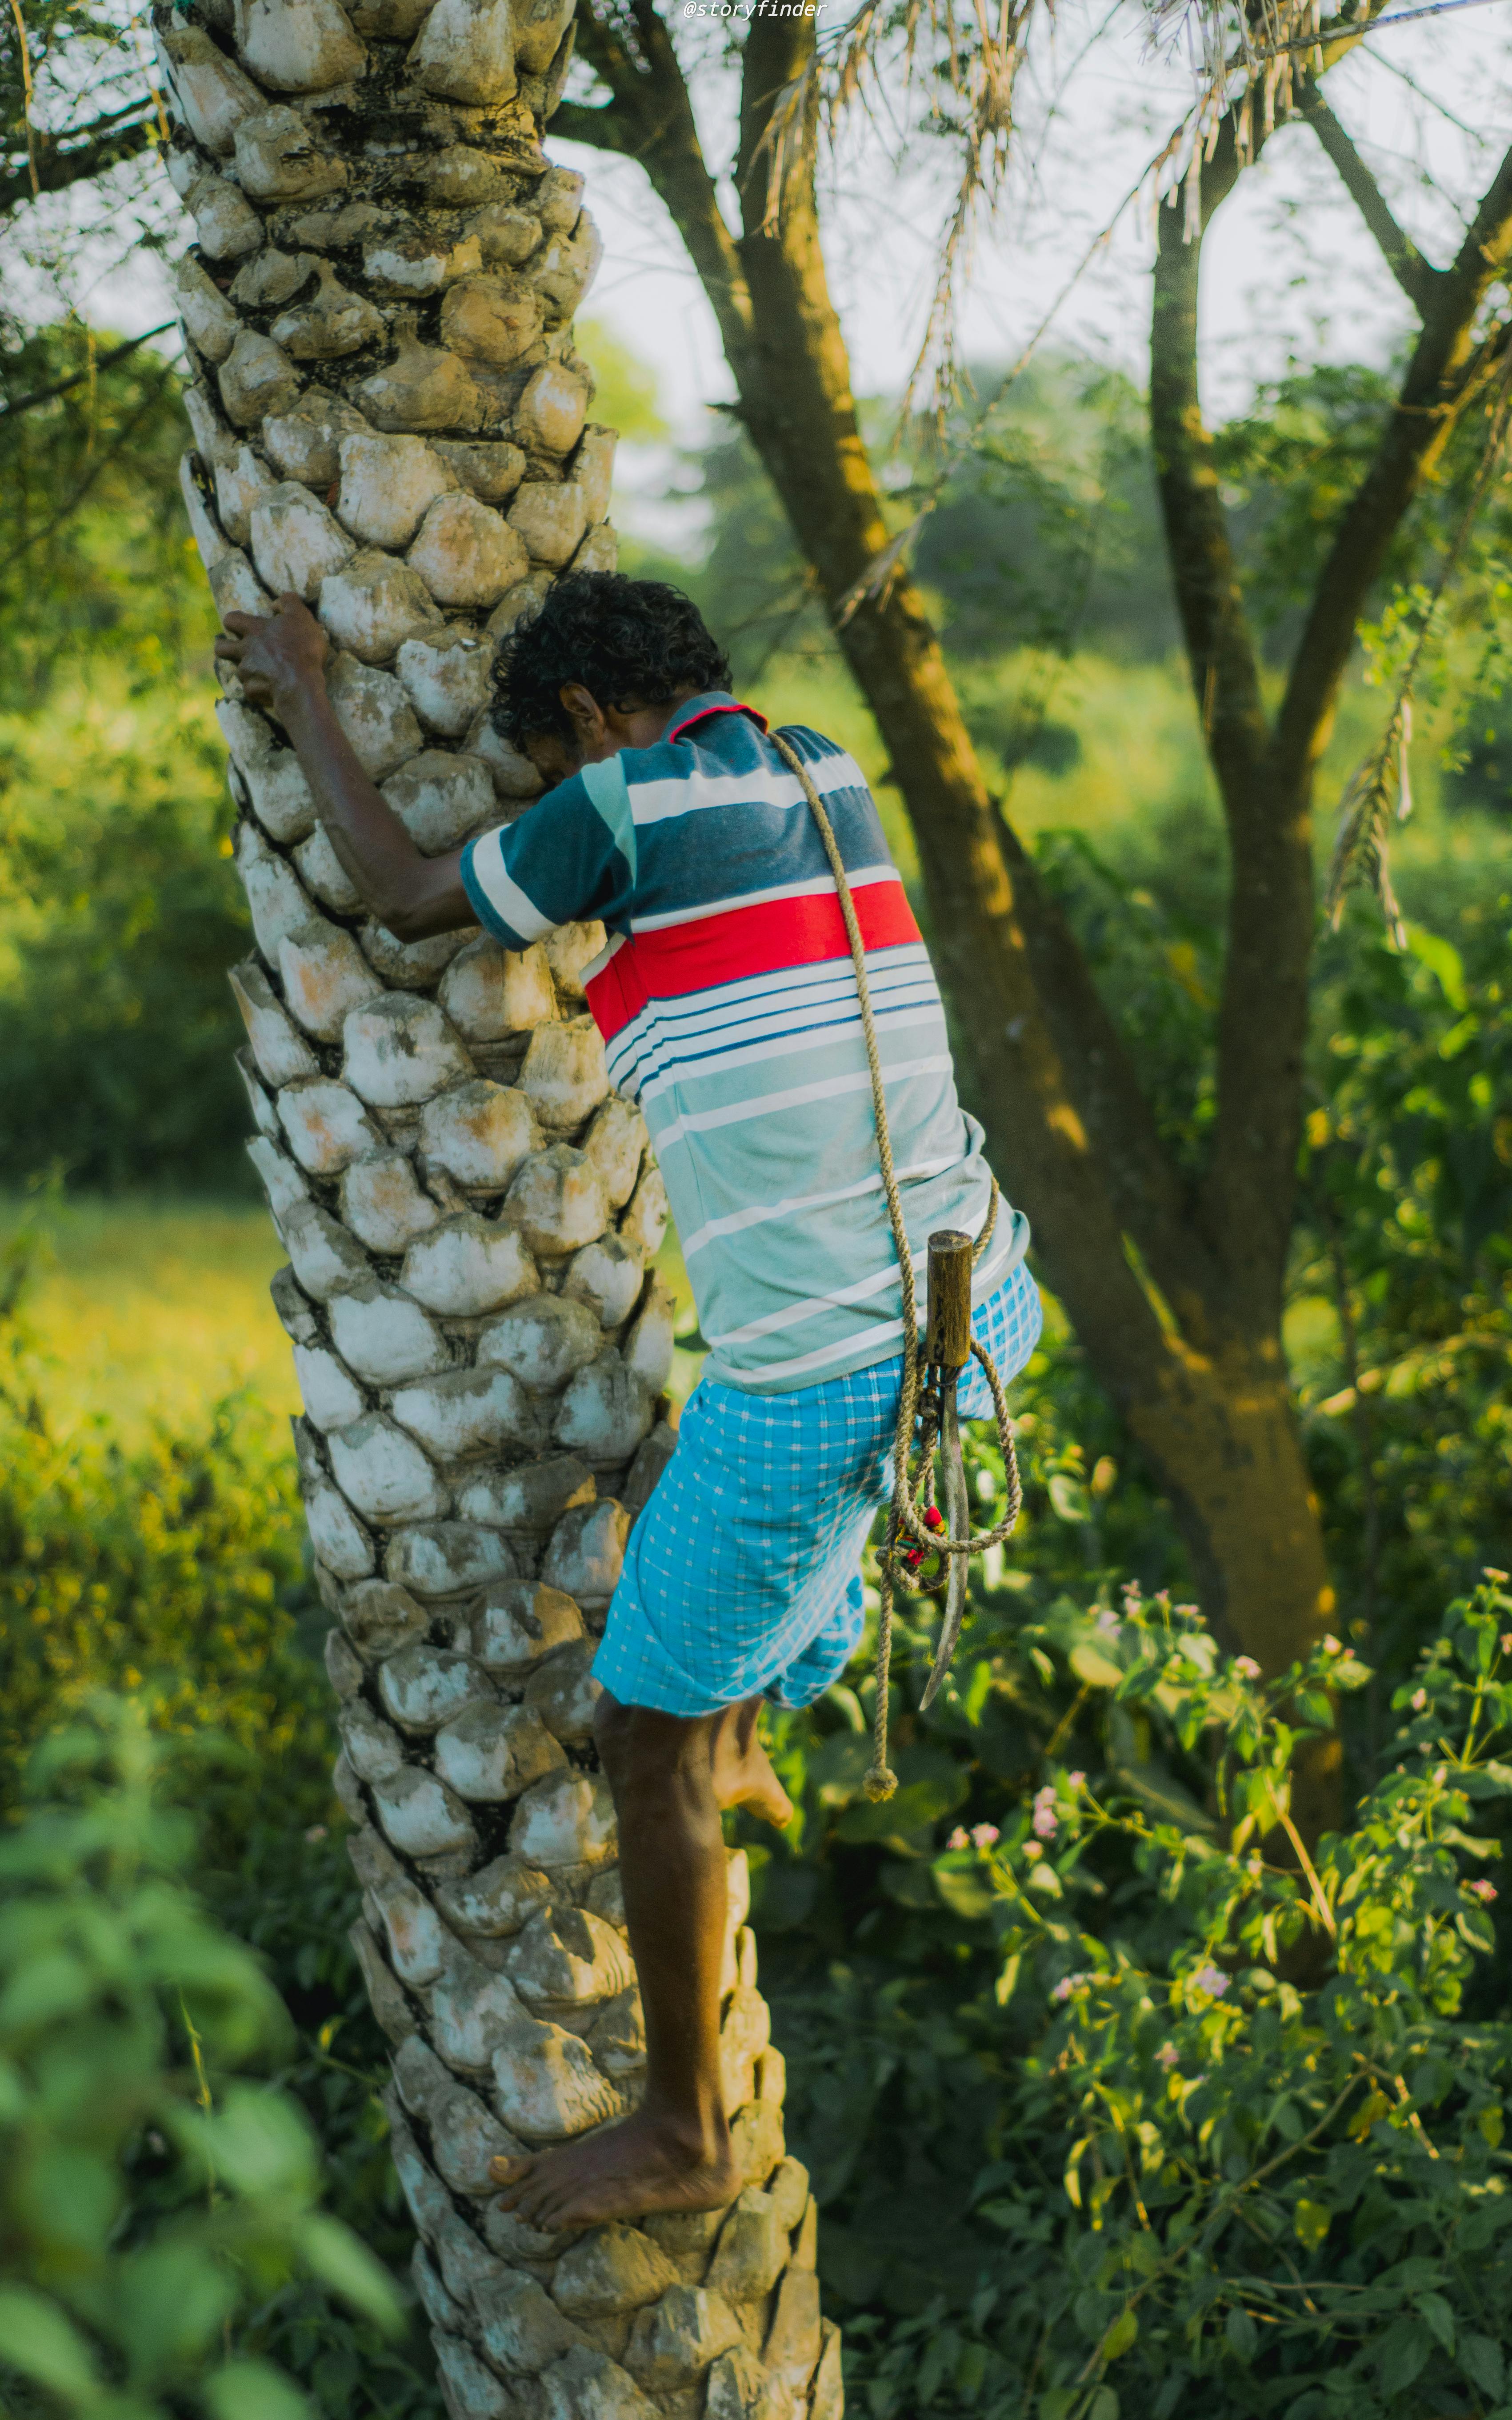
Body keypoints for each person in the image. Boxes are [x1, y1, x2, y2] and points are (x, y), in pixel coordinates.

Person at [216, 571, 1041, 2232]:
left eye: (538, 764)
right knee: (755, 1520)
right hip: (980, 1295)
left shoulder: (621, 795)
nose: (549, 816)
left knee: (633, 1726)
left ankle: (683, 2124)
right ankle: (748, 1734)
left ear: (592, 719)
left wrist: (306, 683)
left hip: (821, 1364)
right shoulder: (822, 766)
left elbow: (395, 895)